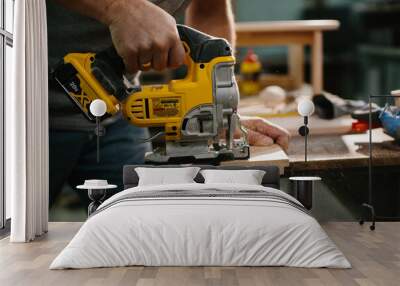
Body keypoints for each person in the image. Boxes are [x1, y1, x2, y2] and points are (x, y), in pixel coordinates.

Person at [47, 0, 290, 207]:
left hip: (115, 114)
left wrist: (217, 111)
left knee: (148, 228)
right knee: (16, 237)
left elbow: (209, 11)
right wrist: (120, 8)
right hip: (29, 108)